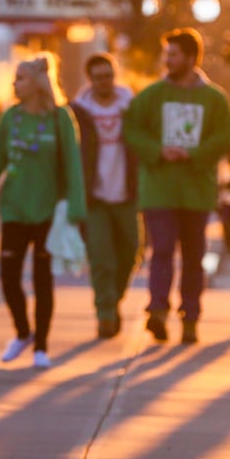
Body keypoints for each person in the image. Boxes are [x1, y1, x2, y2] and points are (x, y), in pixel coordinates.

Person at [0, 53, 85, 369]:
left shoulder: (60, 118)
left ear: (37, 83)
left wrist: (77, 205)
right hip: (14, 209)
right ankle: (23, 332)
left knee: (42, 277)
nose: (15, 84)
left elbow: (72, 165)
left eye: (21, 78)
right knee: (8, 275)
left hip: (47, 211)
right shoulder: (10, 118)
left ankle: (42, 347)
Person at [124, 28, 230, 344]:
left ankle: (190, 316)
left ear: (189, 57)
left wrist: (194, 154)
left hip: (196, 192)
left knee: (193, 256)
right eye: (166, 54)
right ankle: (157, 310)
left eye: (172, 54)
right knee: (160, 251)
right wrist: (158, 150)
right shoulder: (151, 95)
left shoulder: (214, 98)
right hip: (159, 189)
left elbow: (224, 137)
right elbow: (132, 130)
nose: (167, 60)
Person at [70, 52, 141, 338]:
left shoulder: (130, 106)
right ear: (90, 79)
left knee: (129, 253)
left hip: (127, 194)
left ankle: (113, 299)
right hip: (94, 197)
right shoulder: (78, 111)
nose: (104, 82)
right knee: (101, 258)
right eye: (98, 77)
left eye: (108, 75)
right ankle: (105, 313)